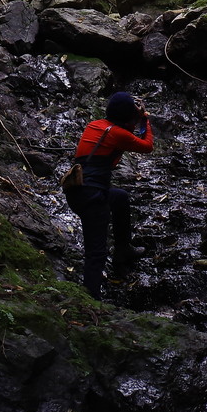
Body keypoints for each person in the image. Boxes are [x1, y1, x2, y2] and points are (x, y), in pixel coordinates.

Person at [63, 91, 155, 300]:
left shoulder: (95, 125)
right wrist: (145, 119)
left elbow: (126, 134)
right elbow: (147, 145)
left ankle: (123, 249)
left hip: (77, 192)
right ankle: (90, 300)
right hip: (93, 198)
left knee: (120, 197)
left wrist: (135, 119)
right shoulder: (118, 134)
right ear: (127, 115)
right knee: (96, 253)